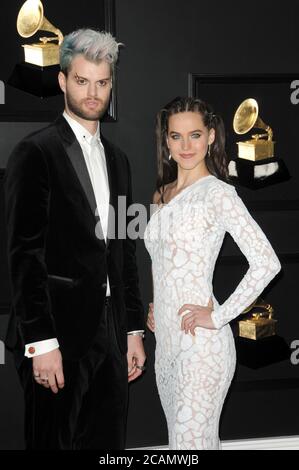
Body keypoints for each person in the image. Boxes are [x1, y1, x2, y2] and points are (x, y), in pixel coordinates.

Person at [4, 28, 146, 450]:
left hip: (111, 328)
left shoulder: (119, 161)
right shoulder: (35, 152)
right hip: (57, 334)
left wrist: (133, 329)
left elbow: (125, 249)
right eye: (82, 81)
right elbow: (24, 255)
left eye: (102, 83)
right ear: (63, 81)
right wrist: (41, 343)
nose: (92, 92)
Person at [144, 96, 281, 450]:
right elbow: (164, 261)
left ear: (211, 137)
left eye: (194, 135)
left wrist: (219, 316)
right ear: (166, 141)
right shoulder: (160, 196)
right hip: (167, 347)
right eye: (175, 136)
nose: (185, 146)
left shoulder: (219, 195)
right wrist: (156, 304)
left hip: (202, 348)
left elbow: (267, 262)